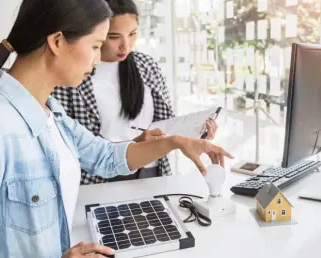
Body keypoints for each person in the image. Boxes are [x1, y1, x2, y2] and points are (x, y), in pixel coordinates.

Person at [0, 0, 232, 257]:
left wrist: (176, 141)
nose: (99, 59)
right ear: (57, 42)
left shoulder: (51, 111)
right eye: (96, 46)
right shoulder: (4, 124)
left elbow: (105, 156)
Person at [52, 0, 218, 184]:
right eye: (114, 36)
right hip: (99, 179)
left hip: (152, 171)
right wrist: (134, 144)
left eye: (133, 34)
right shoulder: (72, 74)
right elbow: (72, 147)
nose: (126, 45)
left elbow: (168, 125)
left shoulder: (146, 65)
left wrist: (198, 132)